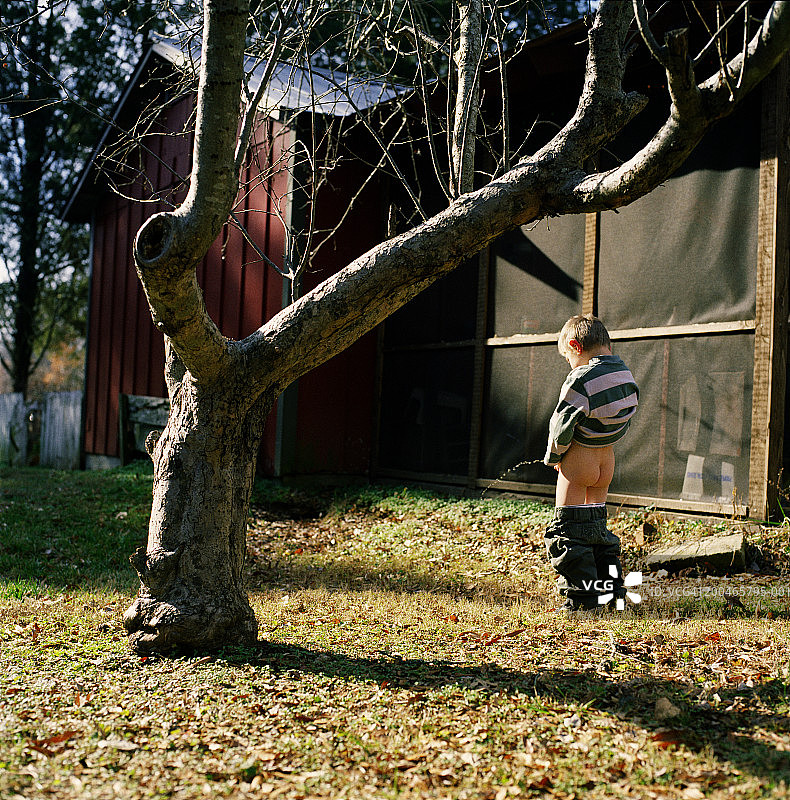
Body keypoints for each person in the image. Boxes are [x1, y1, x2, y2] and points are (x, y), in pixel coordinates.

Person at [543, 315, 639, 613]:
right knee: (596, 528)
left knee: (568, 530)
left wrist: (556, 456)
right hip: (606, 460)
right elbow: (626, 415)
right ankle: (610, 592)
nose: (570, 364)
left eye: (569, 358)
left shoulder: (580, 379)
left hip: (580, 459)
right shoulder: (626, 375)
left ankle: (582, 599)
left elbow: (561, 425)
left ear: (575, 346)